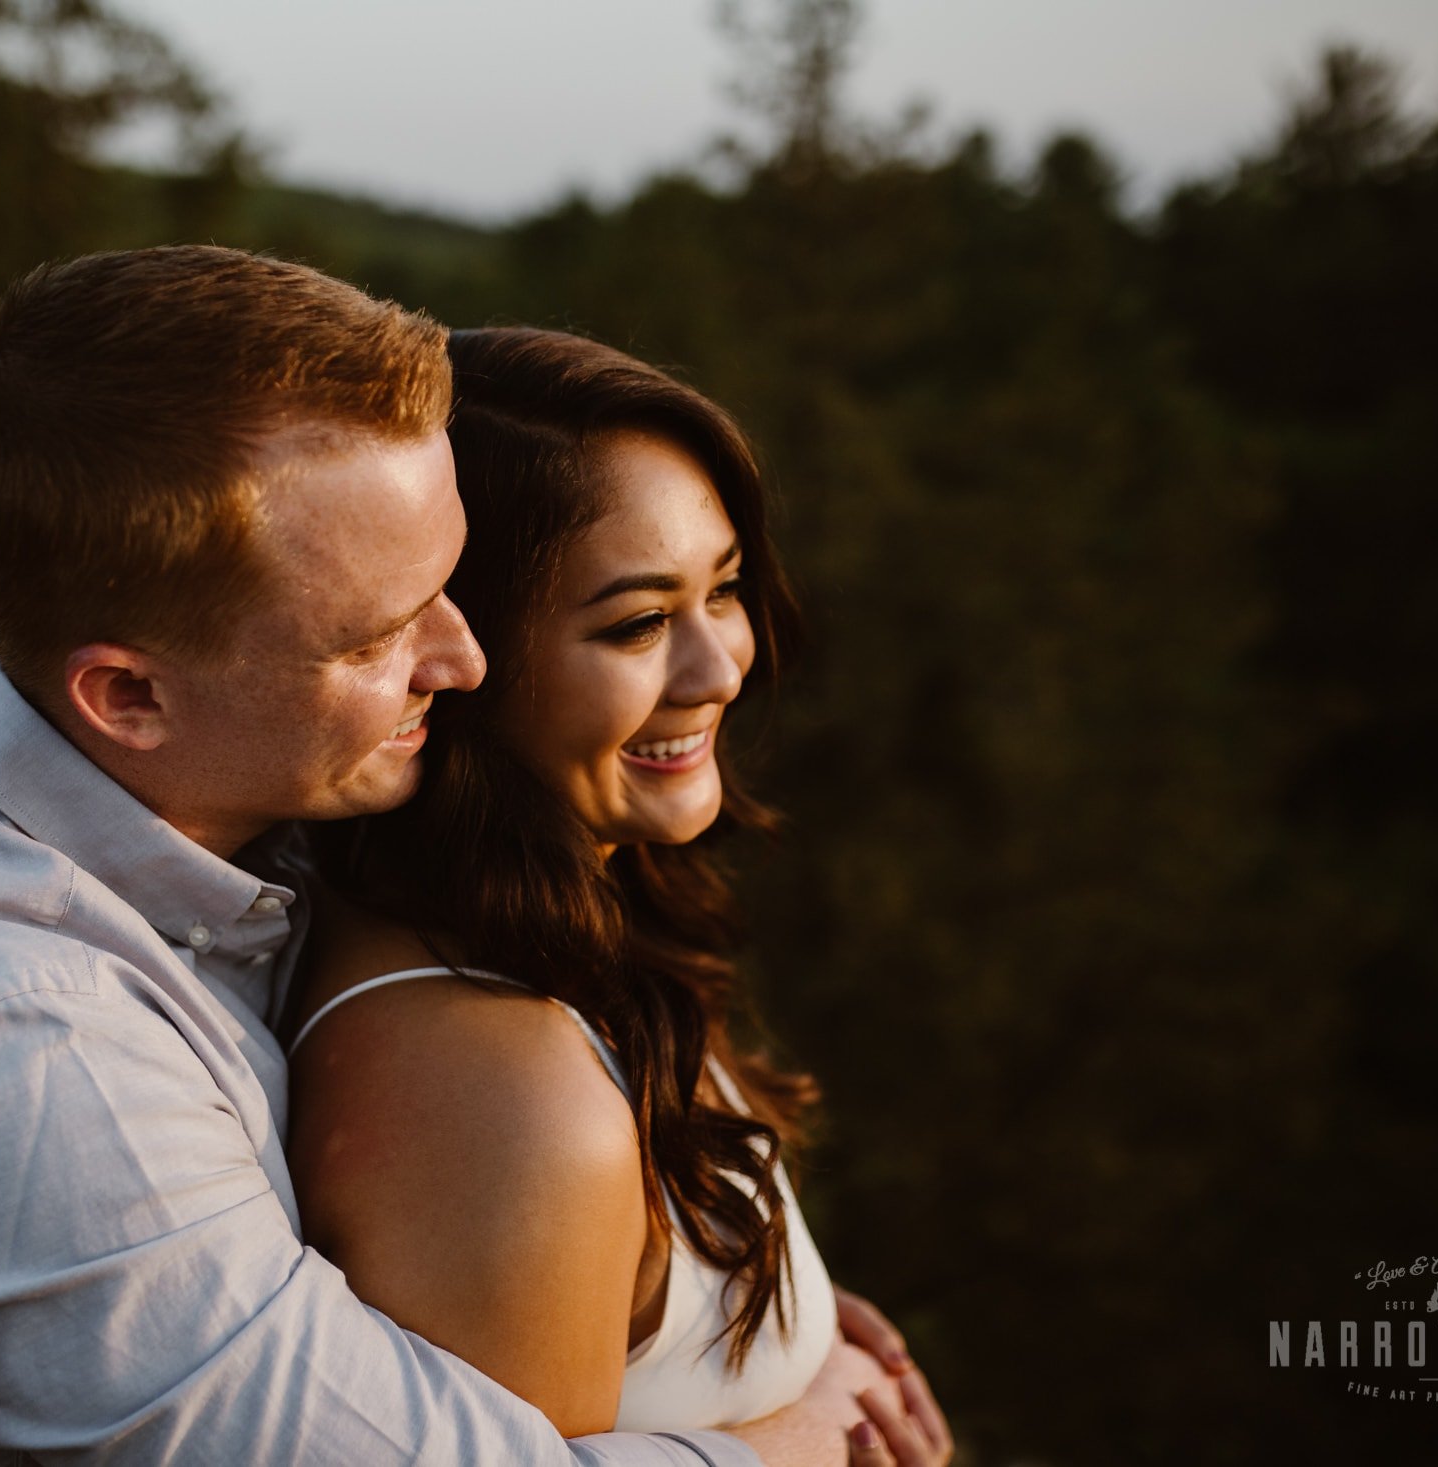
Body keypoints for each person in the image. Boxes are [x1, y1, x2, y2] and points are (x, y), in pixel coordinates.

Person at [0, 246, 937, 1466]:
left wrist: (744, 1324)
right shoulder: (12, 1062)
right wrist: (799, 1440)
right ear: (128, 694)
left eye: (449, 583)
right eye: (378, 633)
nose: (464, 663)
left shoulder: (180, 746)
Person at [285, 327, 949, 1460]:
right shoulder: (492, 1085)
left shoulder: (564, 935)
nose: (719, 668)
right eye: (638, 623)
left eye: (724, 591)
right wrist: (798, 1442)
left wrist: (785, 1324)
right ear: (451, 654)